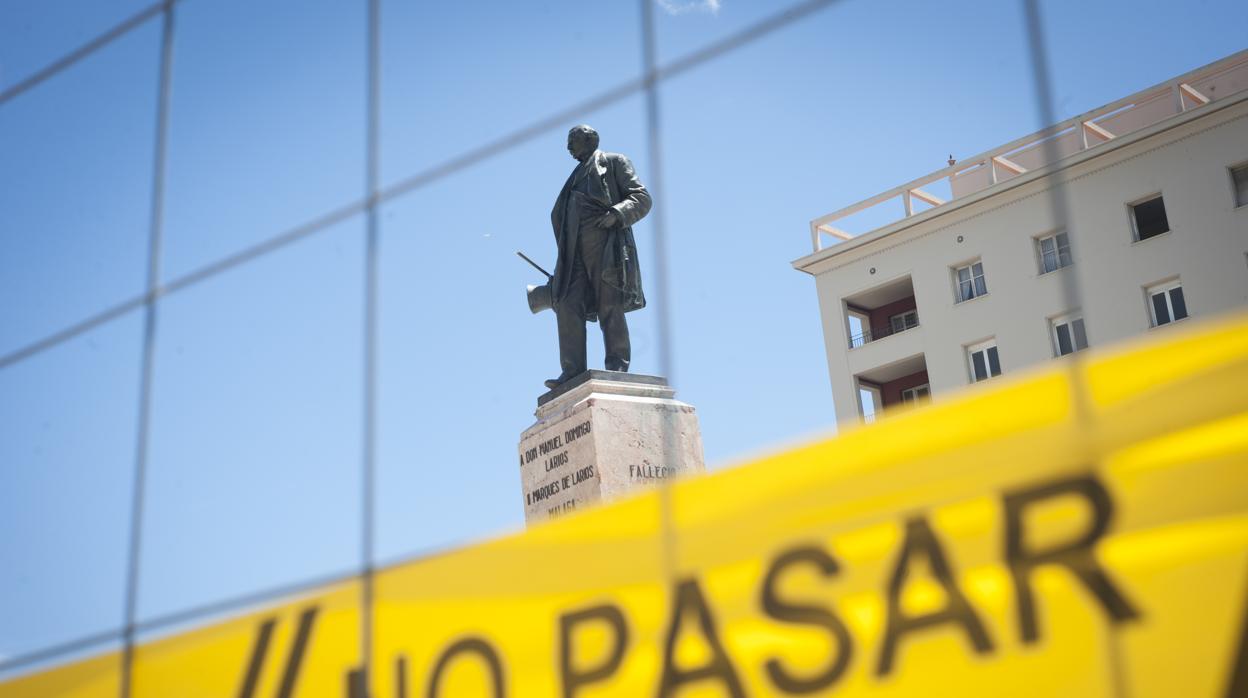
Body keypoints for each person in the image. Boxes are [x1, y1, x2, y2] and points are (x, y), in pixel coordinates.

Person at [545, 125, 652, 390]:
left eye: (573, 140)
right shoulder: (572, 180)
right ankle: (572, 371)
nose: (568, 147)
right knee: (567, 304)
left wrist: (617, 213)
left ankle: (616, 366)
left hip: (606, 246)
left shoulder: (613, 162)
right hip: (573, 253)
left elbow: (642, 197)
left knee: (609, 306)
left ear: (590, 139)